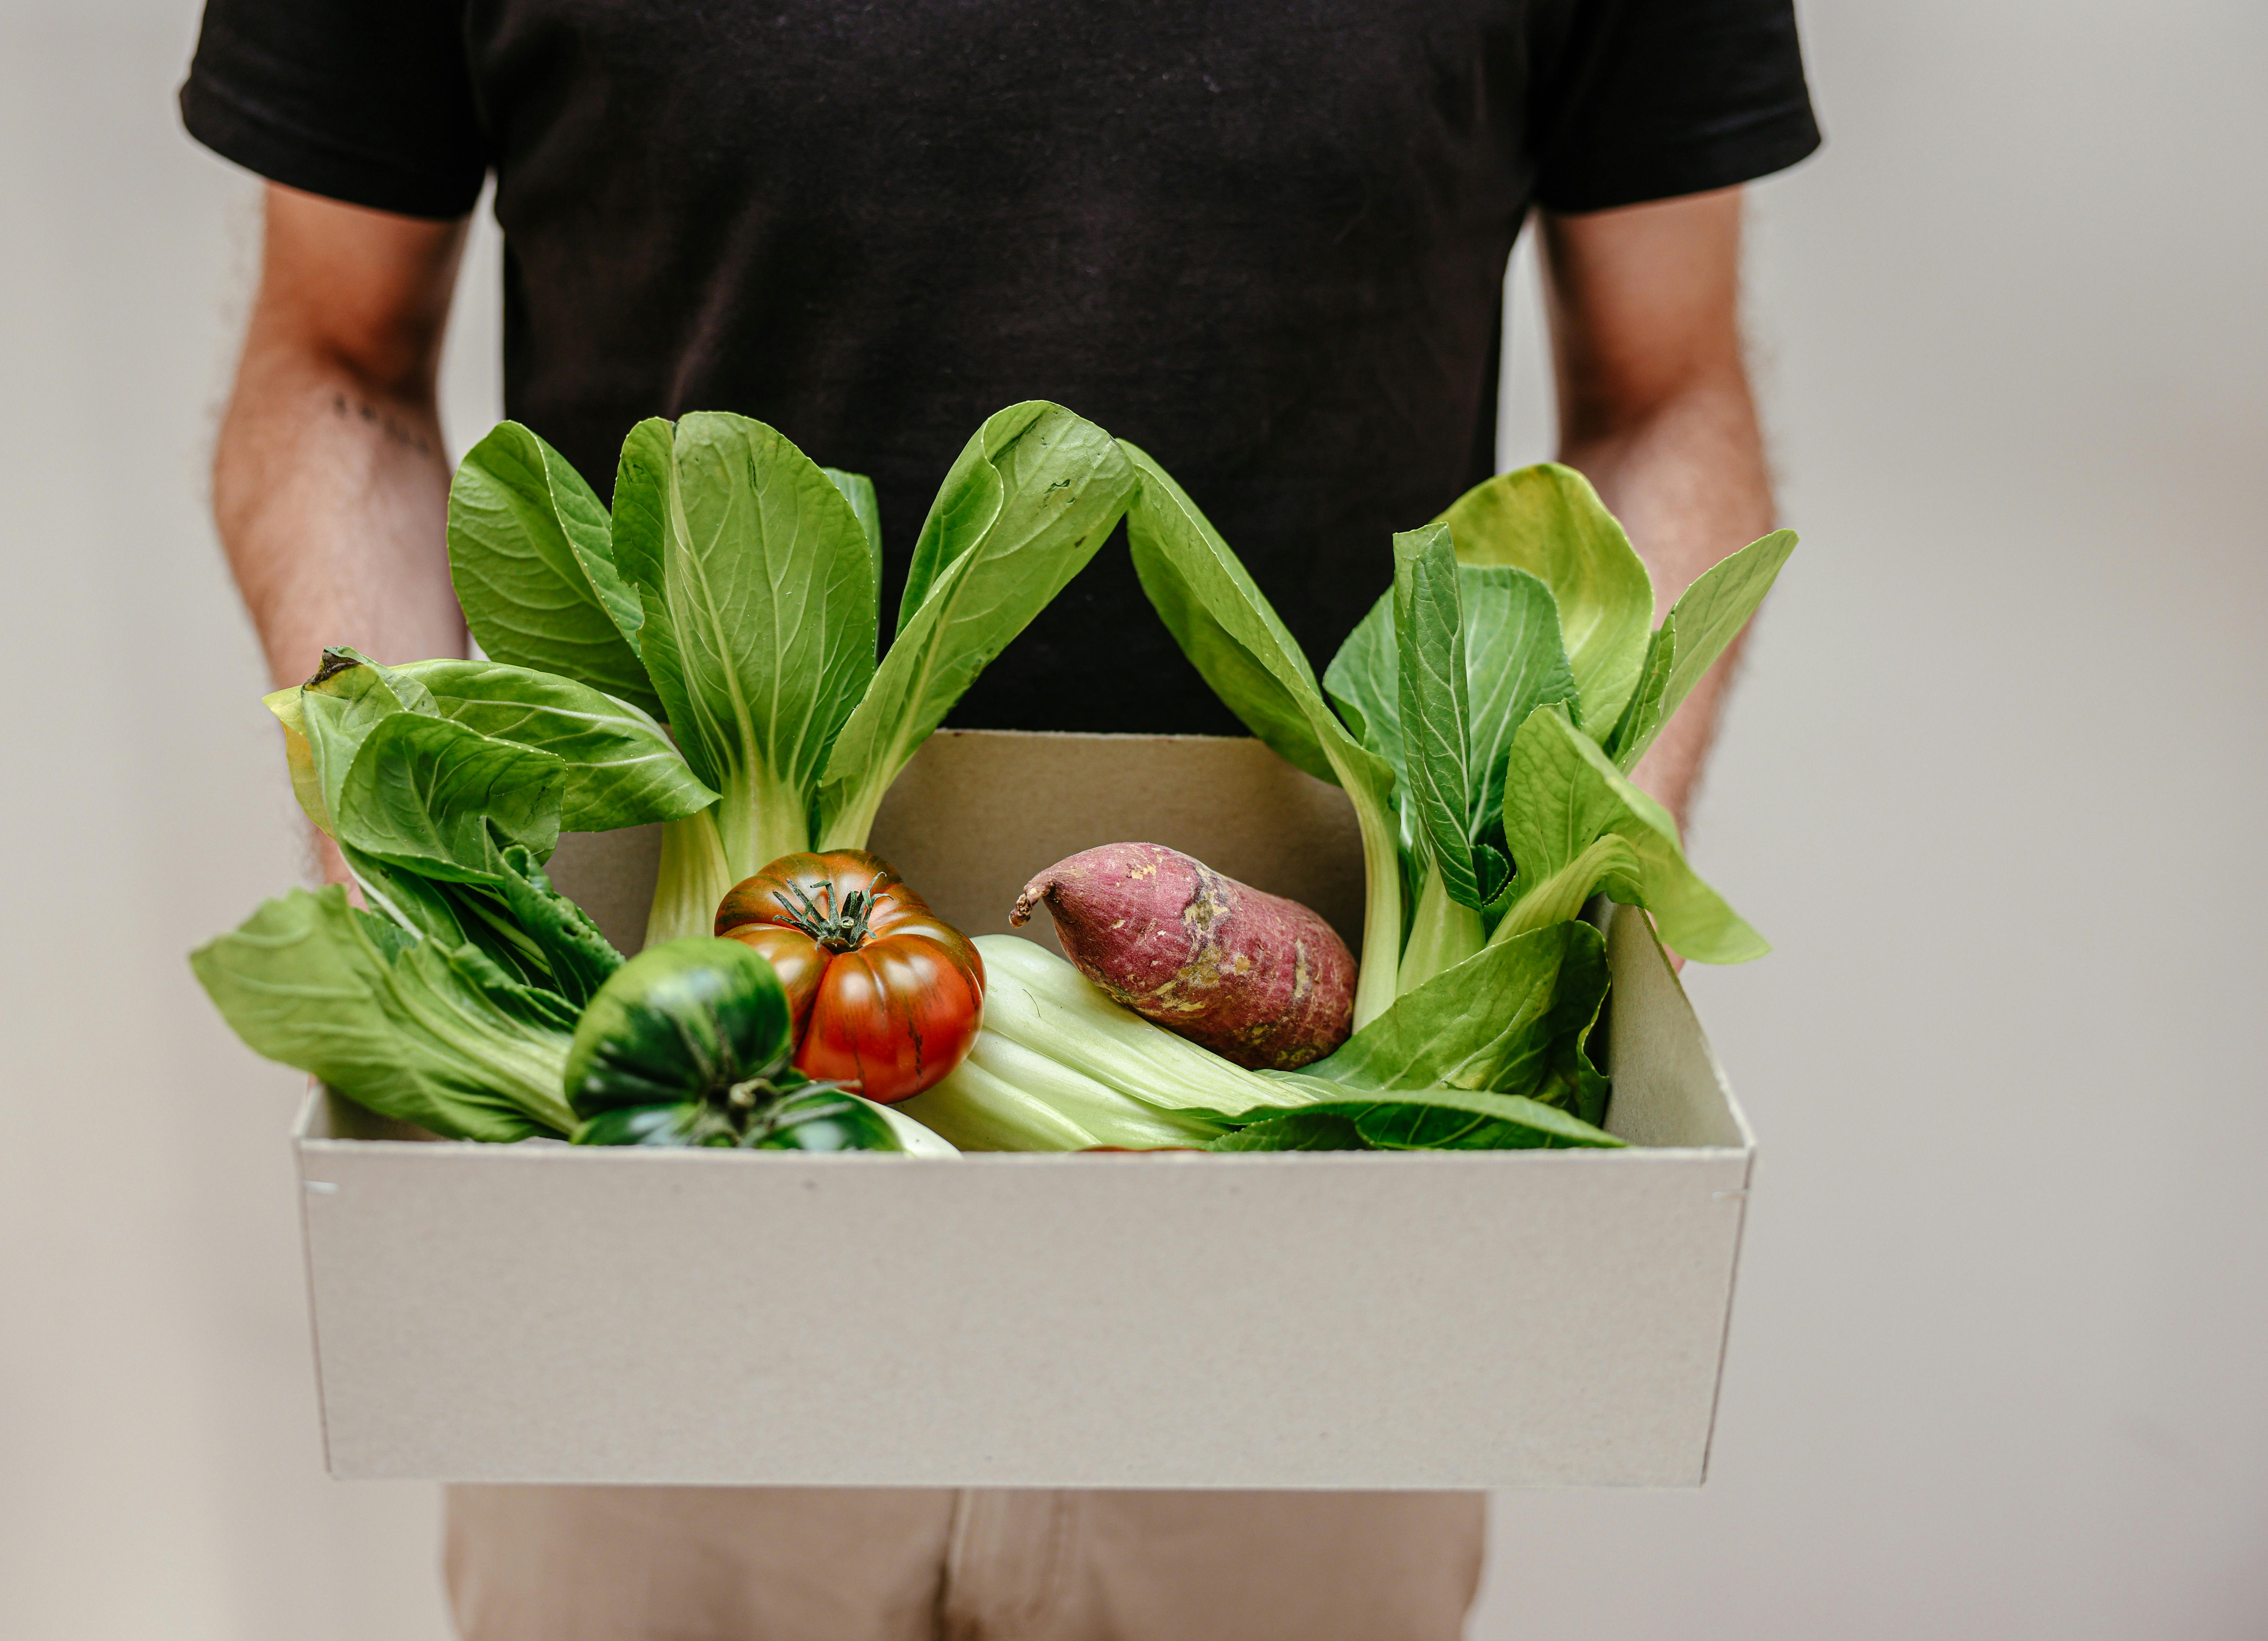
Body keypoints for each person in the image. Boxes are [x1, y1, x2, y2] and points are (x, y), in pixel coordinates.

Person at [182, 2, 1816, 1635]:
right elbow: (335, 363)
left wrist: (1558, 916)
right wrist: (422, 893)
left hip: (1330, 1264)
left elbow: (1664, 392)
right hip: (654, 1232)